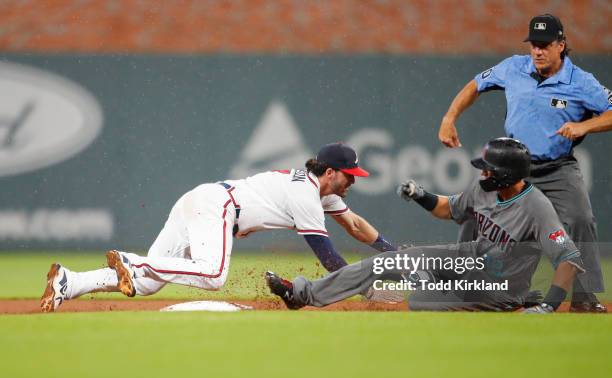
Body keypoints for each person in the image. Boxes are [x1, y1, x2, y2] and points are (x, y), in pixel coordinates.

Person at [40, 142, 397, 312]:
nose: (354, 181)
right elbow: (329, 258)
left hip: (203, 200)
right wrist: (367, 290)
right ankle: (132, 262)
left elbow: (355, 226)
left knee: (146, 286)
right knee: (213, 275)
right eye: (350, 175)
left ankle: (70, 281)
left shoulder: (321, 192)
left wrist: (395, 254)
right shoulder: (306, 195)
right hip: (217, 207)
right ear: (331, 172)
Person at [266, 138, 584, 313]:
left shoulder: (537, 207)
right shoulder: (485, 189)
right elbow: (448, 209)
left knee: (421, 300)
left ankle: (516, 300)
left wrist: (550, 306)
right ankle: (301, 294)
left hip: (497, 284)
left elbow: (568, 259)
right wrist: (421, 195)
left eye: (488, 170)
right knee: (388, 260)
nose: (482, 174)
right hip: (470, 257)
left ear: (507, 173)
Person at [437, 14, 612, 312]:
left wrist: (585, 126)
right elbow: (475, 85)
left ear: (561, 45)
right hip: (513, 166)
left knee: (581, 219)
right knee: (471, 212)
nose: (538, 51)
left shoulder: (581, 82)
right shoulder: (514, 67)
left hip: (557, 167)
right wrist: (449, 118)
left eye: (544, 45)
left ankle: (584, 299)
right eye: (534, 44)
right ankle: (467, 286)